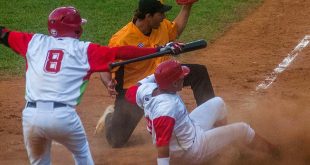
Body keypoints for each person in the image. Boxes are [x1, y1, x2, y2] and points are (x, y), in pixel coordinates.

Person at [0, 6, 182, 165]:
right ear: (76, 29)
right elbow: (121, 52)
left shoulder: (33, 42)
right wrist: (159, 49)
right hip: (63, 118)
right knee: (82, 157)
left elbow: (4, 34)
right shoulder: (84, 50)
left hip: (30, 117)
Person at [95, 0, 215, 148]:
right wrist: (108, 83)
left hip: (164, 75)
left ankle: (212, 116)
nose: (164, 17)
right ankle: (109, 116)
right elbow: (104, 66)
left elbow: (175, 29)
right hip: (136, 89)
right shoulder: (122, 39)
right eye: (161, 13)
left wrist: (187, 6)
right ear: (148, 16)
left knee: (198, 73)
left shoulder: (161, 26)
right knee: (116, 140)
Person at [125, 60, 278, 165]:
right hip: (190, 151)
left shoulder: (146, 90)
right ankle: (277, 154)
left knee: (218, 103)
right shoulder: (167, 108)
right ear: (174, 83)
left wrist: (159, 73)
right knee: (244, 129)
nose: (184, 78)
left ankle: (221, 146)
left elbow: (130, 92)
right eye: (181, 77)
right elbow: (162, 144)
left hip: (188, 133)